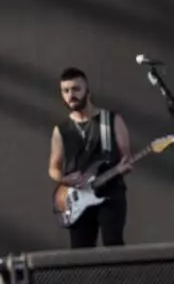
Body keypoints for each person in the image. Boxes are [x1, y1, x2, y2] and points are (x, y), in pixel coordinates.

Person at [48, 67, 134, 248]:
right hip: (77, 199)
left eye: (76, 89)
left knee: (113, 245)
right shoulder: (61, 130)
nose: (71, 95)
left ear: (88, 91)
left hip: (110, 194)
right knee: (81, 252)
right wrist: (63, 179)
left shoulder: (112, 120)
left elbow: (126, 158)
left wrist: (124, 167)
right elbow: (53, 167)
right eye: (65, 91)